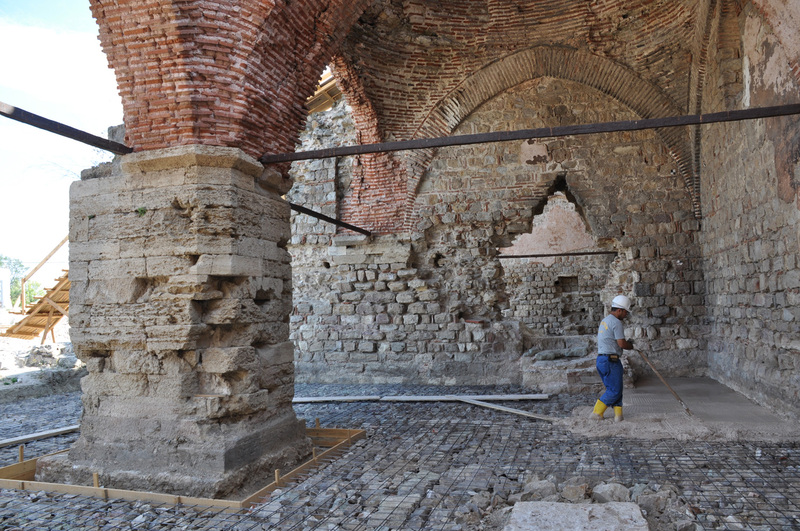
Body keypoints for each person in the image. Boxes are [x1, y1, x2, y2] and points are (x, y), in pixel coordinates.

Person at [591, 294, 634, 422]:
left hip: (602, 360)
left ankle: (618, 416)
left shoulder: (605, 321)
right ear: (619, 310)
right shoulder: (616, 322)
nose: (626, 315)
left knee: (616, 388)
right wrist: (631, 345)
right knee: (614, 391)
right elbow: (621, 344)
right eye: (625, 312)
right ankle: (596, 413)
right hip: (611, 361)